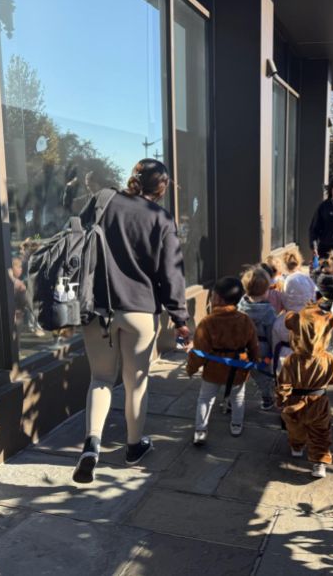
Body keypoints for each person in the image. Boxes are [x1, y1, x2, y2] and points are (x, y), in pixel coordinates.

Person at [73, 158, 190, 484]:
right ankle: (134, 446)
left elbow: (78, 241)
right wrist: (180, 317)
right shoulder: (161, 219)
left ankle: (91, 446)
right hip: (140, 311)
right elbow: (172, 273)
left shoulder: (103, 201)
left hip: (98, 308)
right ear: (162, 187)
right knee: (135, 382)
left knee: (100, 378)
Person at [187, 277, 259, 445]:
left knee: (205, 398)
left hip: (213, 369)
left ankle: (200, 430)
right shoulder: (244, 320)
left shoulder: (207, 322)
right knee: (238, 398)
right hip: (238, 368)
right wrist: (254, 361)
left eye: (212, 295)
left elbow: (199, 352)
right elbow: (253, 344)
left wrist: (191, 368)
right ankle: (236, 424)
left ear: (217, 299)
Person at [276, 304, 333, 478]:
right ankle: (319, 463)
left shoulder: (291, 360)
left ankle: (297, 447)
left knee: (295, 429)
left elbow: (283, 384)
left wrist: (281, 401)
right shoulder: (328, 359)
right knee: (321, 433)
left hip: (295, 404)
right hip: (319, 403)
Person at [237, 266, 277, 411]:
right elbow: (272, 334)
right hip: (262, 351)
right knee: (264, 377)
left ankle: (231, 400)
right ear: (266, 291)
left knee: (239, 376)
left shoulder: (240, 306)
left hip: (243, 349)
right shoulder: (269, 312)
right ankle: (267, 399)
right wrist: (274, 353)